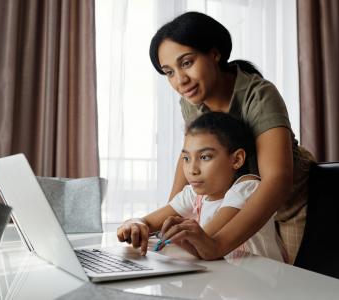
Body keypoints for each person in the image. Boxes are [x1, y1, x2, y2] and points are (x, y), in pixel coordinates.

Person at [147, 11, 314, 264]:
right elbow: (189, 156)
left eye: (187, 63)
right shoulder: (190, 101)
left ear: (215, 54)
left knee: (295, 284)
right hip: (239, 201)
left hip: (289, 204)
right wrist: (172, 220)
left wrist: (217, 244)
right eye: (169, 72)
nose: (180, 80)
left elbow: (277, 179)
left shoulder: (259, 95)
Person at [117, 112, 285, 262]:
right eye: (186, 158)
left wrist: (171, 233)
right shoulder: (194, 195)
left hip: (260, 283)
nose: (192, 170)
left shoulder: (247, 188)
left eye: (204, 157)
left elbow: (205, 242)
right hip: (223, 280)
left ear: (237, 159)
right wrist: (134, 224)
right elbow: (148, 221)